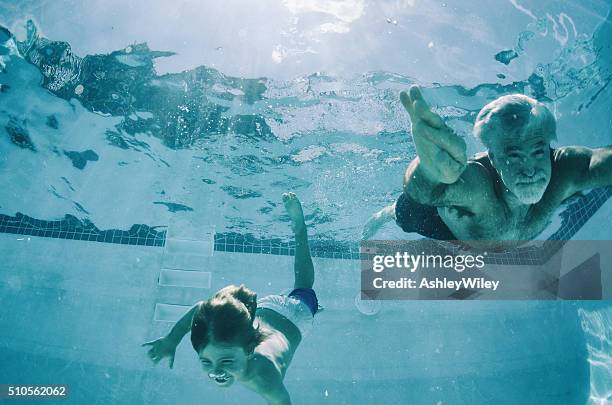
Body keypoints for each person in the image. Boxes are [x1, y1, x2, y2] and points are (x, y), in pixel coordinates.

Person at [363, 86, 612, 247]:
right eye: (513, 156)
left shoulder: (565, 171)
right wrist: (428, 170)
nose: (529, 169)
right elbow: (424, 192)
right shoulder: (477, 187)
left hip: (479, 239)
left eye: (537, 152)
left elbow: (601, 163)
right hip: (436, 222)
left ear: (549, 148)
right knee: (401, 214)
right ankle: (386, 212)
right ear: (493, 158)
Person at [143, 192, 318, 405]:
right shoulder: (236, 340)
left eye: (227, 360)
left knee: (303, 286)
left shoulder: (264, 379)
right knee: (289, 293)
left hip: (296, 315)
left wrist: (173, 339)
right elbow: (201, 309)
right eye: (206, 361)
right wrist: (172, 340)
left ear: (249, 350)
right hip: (263, 309)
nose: (216, 370)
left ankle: (300, 230)